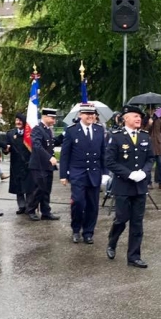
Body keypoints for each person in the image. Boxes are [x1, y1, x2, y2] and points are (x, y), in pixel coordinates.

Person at [105, 105, 155, 268]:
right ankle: (112, 241)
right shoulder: (116, 137)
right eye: (135, 116)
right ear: (125, 118)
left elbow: (150, 158)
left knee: (137, 222)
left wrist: (144, 172)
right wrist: (128, 174)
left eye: (140, 117)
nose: (139, 119)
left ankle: (134, 256)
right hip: (123, 186)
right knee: (121, 218)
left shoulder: (145, 137)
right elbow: (110, 161)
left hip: (140, 186)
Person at [60, 103, 109, 244]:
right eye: (87, 113)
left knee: (93, 205)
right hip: (77, 173)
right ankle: (76, 229)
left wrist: (105, 173)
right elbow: (65, 155)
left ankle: (88, 232)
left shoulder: (99, 130)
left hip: (94, 173)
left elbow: (103, 153)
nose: (90, 116)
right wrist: (63, 175)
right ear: (80, 115)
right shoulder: (72, 131)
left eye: (93, 113)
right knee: (78, 203)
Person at [27, 108, 62, 221]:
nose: (54, 120)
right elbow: (37, 146)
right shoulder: (37, 130)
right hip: (38, 165)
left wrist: (64, 135)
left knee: (47, 189)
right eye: (52, 118)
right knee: (39, 189)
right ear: (45, 117)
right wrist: (49, 157)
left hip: (47, 166)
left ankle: (46, 211)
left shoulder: (48, 130)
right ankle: (31, 210)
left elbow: (52, 143)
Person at [4, 113, 34, 215]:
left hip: (28, 163)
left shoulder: (30, 134)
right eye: (16, 120)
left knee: (29, 187)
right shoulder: (10, 133)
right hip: (16, 165)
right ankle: (22, 206)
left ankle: (29, 207)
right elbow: (6, 149)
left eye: (20, 120)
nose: (18, 122)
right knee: (18, 187)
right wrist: (5, 149)